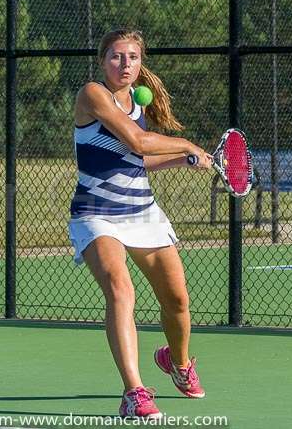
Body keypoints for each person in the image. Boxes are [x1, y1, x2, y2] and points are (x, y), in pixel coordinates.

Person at [68, 29, 213, 419]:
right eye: (117, 57)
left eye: (132, 57)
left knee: (177, 301)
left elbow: (139, 160)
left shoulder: (137, 102)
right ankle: (134, 392)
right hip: (96, 213)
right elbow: (138, 142)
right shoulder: (92, 94)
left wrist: (183, 162)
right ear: (103, 61)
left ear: (140, 62)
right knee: (121, 290)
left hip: (142, 212)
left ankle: (177, 363)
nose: (125, 64)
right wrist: (188, 146)